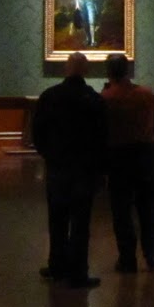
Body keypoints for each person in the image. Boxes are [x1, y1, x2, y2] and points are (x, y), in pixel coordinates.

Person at [34, 52, 106, 288]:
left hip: (58, 166)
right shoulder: (93, 99)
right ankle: (78, 273)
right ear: (86, 70)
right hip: (84, 168)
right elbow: (102, 137)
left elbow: (38, 132)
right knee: (80, 223)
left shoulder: (49, 96)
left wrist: (49, 154)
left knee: (57, 219)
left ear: (66, 68)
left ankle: (56, 265)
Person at [102, 53, 154, 272]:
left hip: (118, 155)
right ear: (127, 70)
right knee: (148, 207)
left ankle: (127, 257)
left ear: (109, 72)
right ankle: (152, 254)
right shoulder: (146, 94)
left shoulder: (106, 98)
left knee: (121, 209)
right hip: (145, 153)